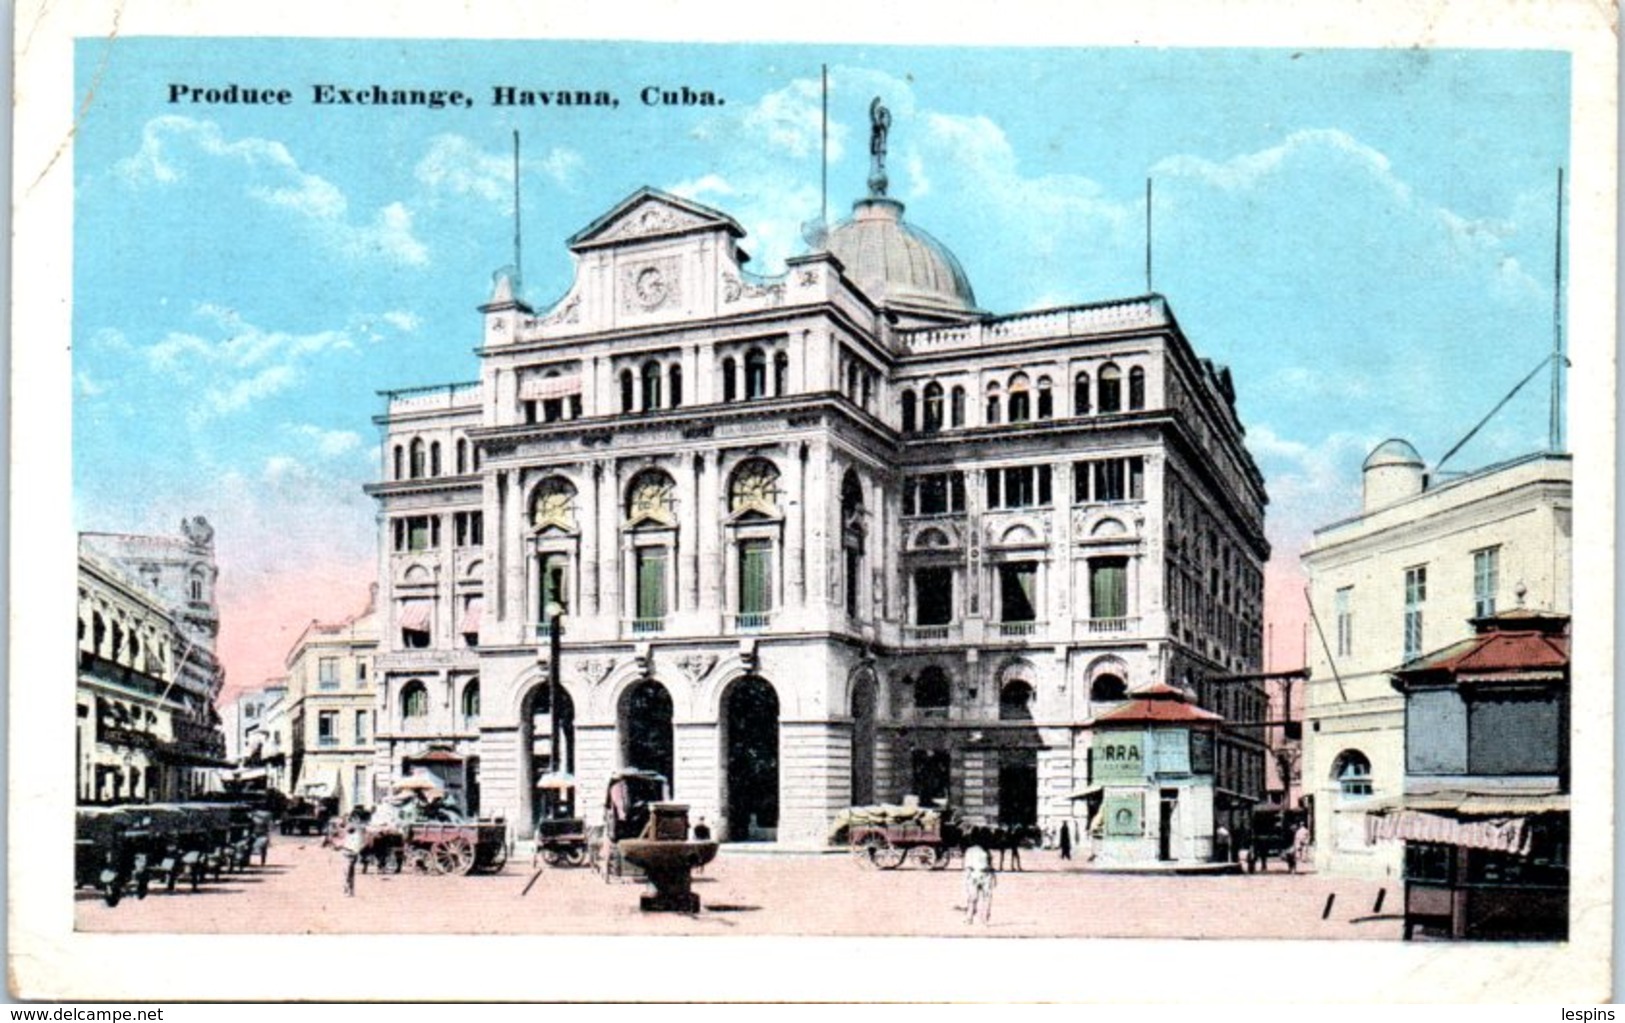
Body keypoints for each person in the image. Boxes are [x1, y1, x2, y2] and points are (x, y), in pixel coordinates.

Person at [963, 838, 996, 925]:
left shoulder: (973, 850)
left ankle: (975, 918)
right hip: (980, 875)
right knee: (980, 898)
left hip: (981, 875)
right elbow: (968, 866)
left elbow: (967, 866)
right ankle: (976, 918)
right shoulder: (982, 851)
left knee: (975, 898)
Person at [340, 808, 368, 896]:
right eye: (355, 817)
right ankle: (348, 889)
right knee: (348, 871)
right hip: (348, 850)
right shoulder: (353, 825)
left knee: (349, 871)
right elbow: (347, 828)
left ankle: (349, 889)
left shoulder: (361, 826)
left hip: (353, 851)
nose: (357, 819)